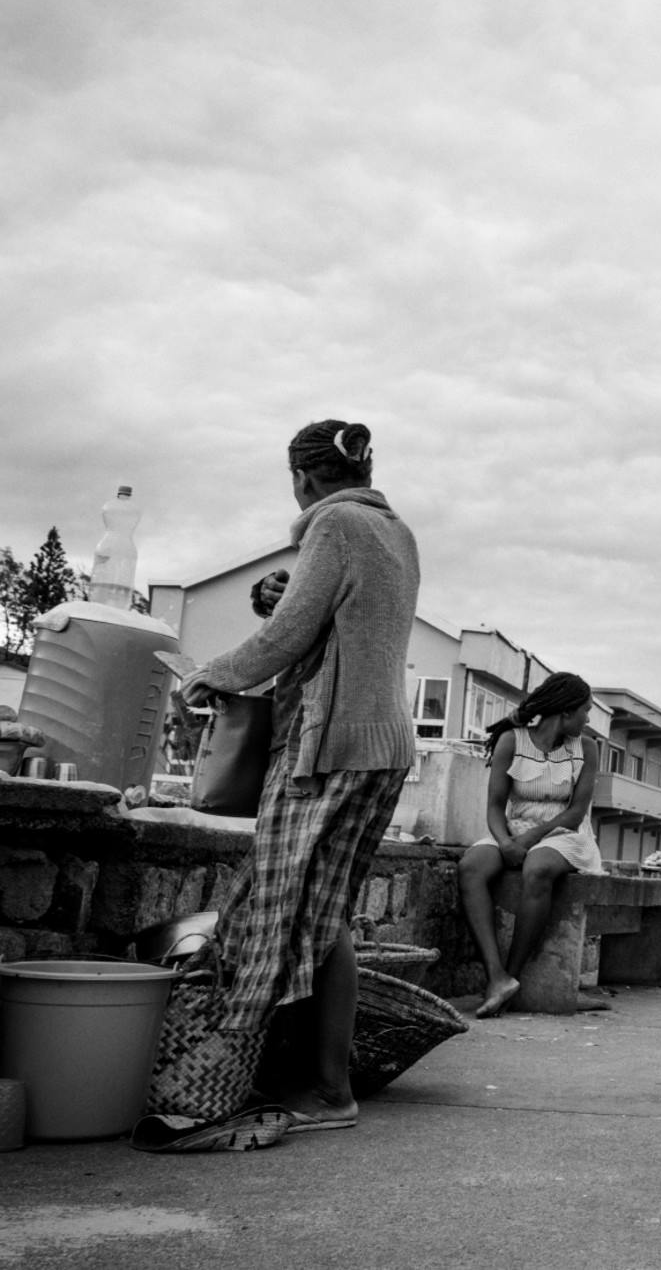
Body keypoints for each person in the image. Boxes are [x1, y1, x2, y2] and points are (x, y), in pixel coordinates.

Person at [179, 419, 420, 1138]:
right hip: (381, 744)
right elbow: (341, 622)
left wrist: (205, 677)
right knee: (323, 914)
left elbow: (285, 640)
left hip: (332, 749)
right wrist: (284, 595)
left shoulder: (333, 525)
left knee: (296, 910)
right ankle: (319, 1080)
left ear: (303, 478)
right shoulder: (394, 530)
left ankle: (321, 1086)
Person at [455, 672, 603, 1018]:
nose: (588, 718)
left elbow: (576, 812)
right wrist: (505, 841)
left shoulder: (587, 749)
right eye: (585, 710)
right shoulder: (511, 741)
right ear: (565, 712)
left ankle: (514, 972)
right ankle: (497, 976)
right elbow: (494, 806)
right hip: (512, 827)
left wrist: (527, 840)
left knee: (537, 868)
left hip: (564, 834)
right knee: (471, 867)